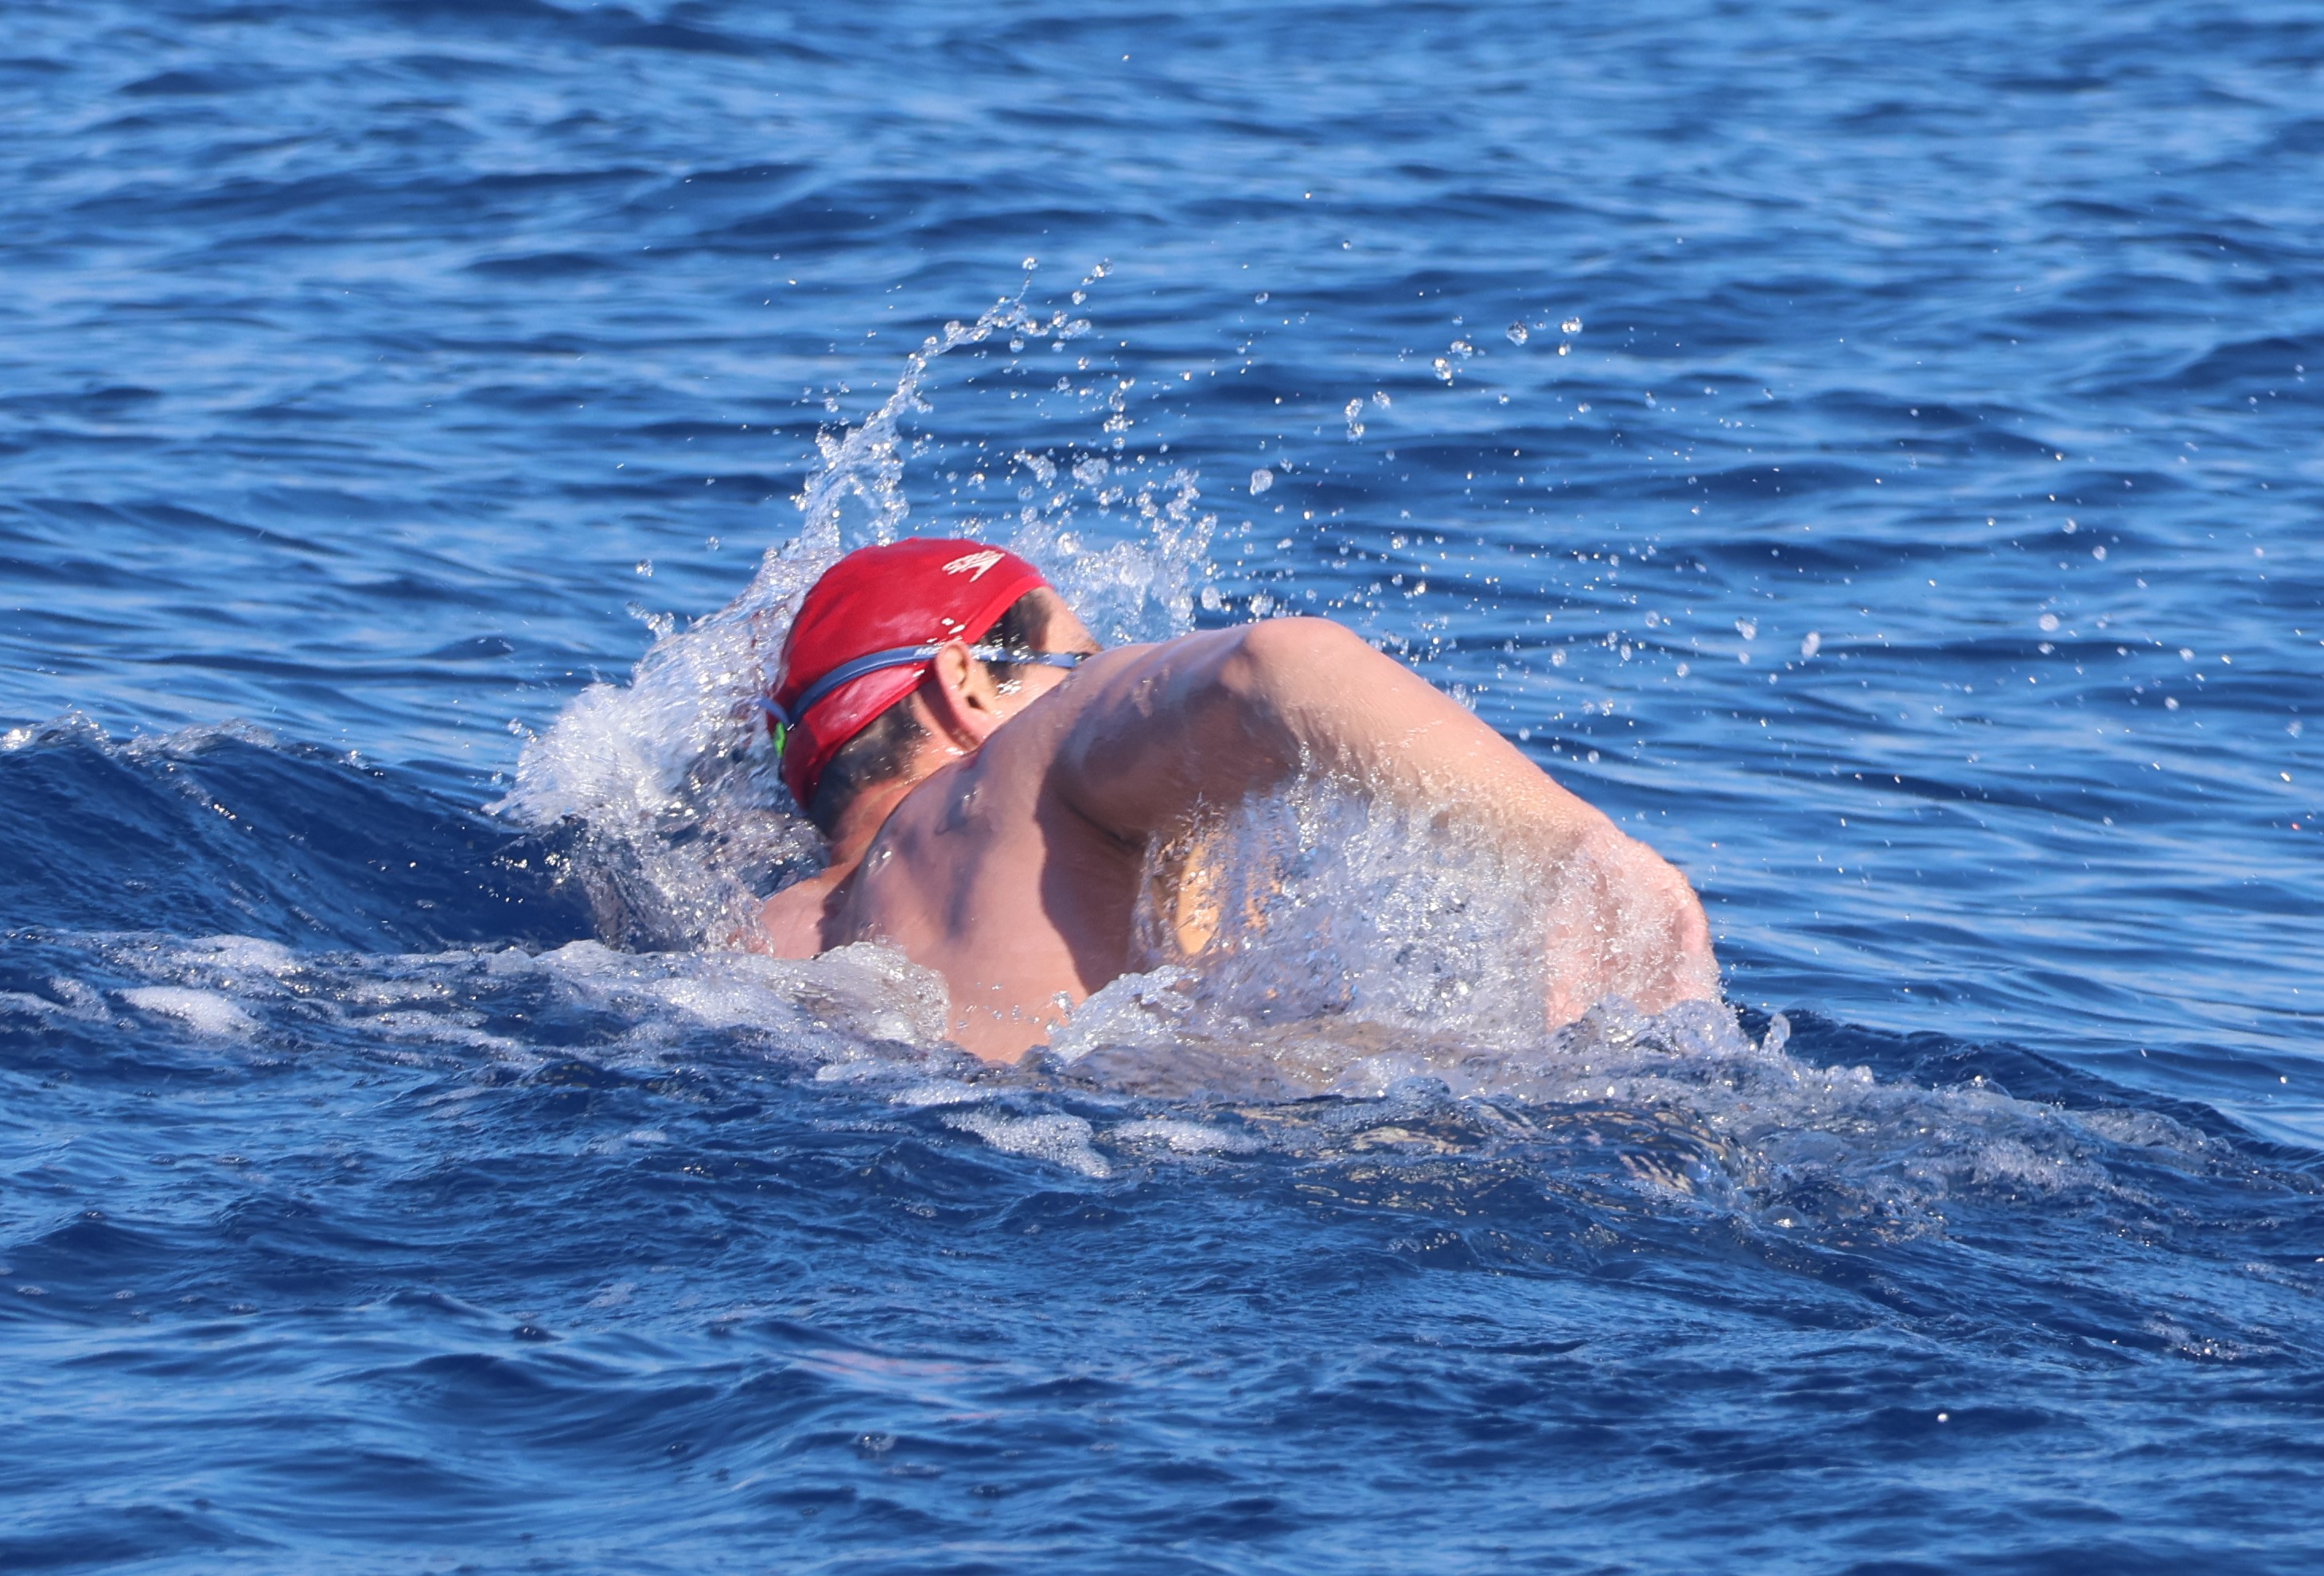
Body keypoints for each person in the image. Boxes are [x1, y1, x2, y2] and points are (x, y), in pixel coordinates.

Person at [745, 537, 1719, 1062]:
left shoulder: (761, 938)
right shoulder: (1018, 773)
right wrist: (1581, 856)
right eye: (1078, 664)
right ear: (965, 684)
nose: (1097, 681)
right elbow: (1272, 664)